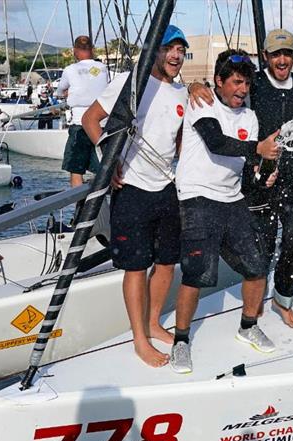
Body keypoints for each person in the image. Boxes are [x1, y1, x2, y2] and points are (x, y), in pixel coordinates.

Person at [189, 29, 293, 329]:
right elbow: (223, 87)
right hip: (260, 179)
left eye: (287, 54)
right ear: (266, 57)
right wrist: (193, 85)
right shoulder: (254, 82)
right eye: (275, 54)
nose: (282, 60)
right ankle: (253, 307)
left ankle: (283, 300)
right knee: (262, 247)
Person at [81, 25, 189, 368]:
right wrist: (107, 159)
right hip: (130, 188)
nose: (174, 56)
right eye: (168, 48)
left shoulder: (182, 93)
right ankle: (139, 338)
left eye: (180, 50)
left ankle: (154, 321)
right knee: (136, 267)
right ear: (154, 51)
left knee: (168, 262)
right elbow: (90, 119)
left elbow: (179, 143)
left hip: (165, 187)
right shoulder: (132, 82)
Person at [171, 50, 281, 372]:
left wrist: (263, 172)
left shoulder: (249, 116)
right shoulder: (203, 102)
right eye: (235, 82)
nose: (242, 90)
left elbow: (249, 163)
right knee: (197, 272)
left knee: (258, 263)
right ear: (218, 82)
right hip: (197, 196)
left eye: (246, 83)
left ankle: (248, 326)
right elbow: (216, 142)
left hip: (232, 198)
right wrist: (256, 149)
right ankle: (181, 340)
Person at [56, 35, 109, 187]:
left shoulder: (70, 69)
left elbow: (59, 91)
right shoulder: (103, 68)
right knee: (103, 168)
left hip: (80, 124)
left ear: (75, 51)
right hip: (101, 124)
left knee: (76, 169)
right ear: (92, 50)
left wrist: (66, 93)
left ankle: (80, 206)